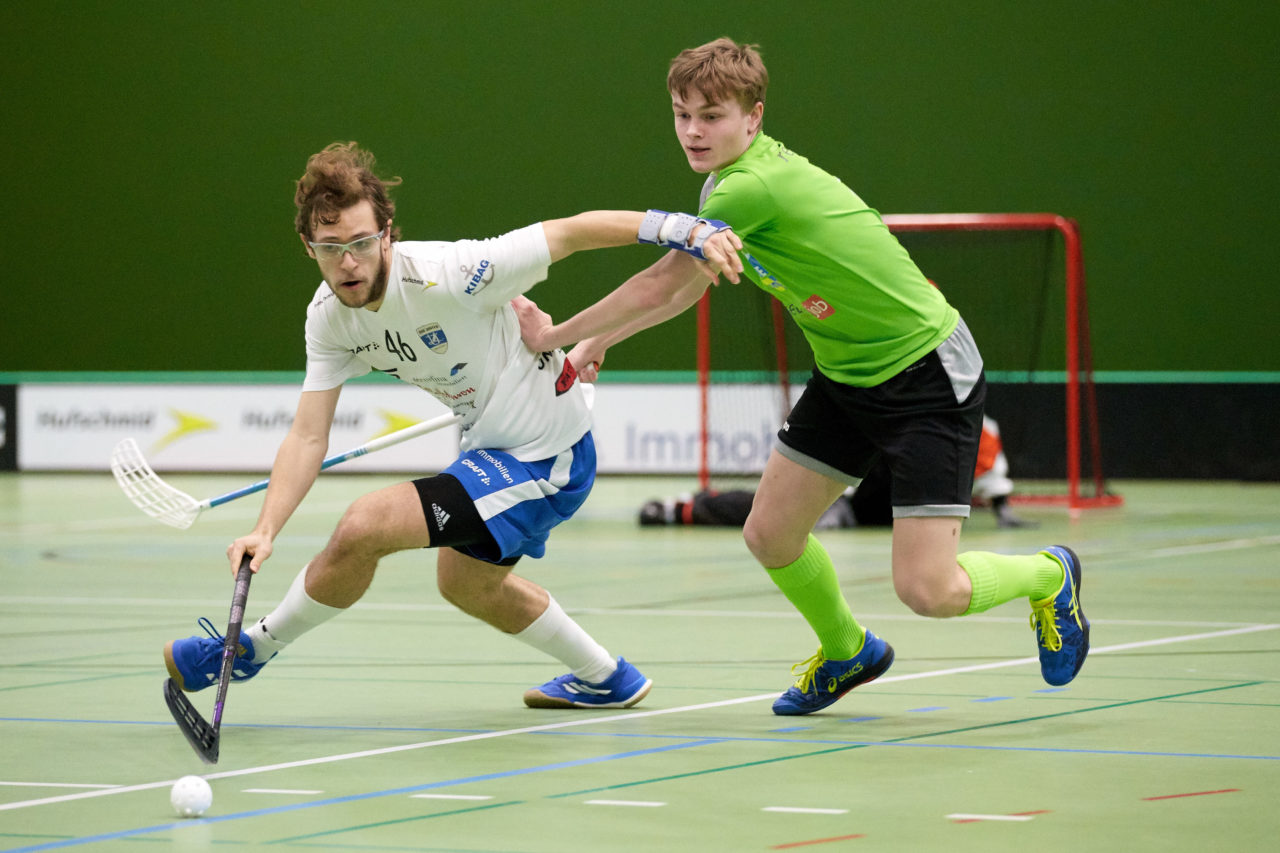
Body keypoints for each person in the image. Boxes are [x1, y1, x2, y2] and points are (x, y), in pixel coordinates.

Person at [515, 38, 1088, 716]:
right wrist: (597, 343)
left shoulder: (751, 187)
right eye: (681, 114)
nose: (693, 131)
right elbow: (690, 285)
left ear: (753, 117)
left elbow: (658, 279)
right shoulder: (724, 185)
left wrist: (556, 338)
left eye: (712, 115)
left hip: (925, 375)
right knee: (770, 532)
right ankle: (848, 650)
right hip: (846, 375)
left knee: (928, 590)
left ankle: (1050, 575)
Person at [163, 141, 742, 711]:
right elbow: (309, 435)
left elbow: (571, 230)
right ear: (307, 246)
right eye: (330, 247)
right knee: (466, 585)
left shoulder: (455, 272)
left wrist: (683, 230)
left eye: (362, 243)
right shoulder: (328, 319)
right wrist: (266, 530)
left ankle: (247, 651)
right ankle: (608, 677)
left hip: (549, 455)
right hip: (488, 449)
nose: (348, 262)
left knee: (364, 523)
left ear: (387, 234)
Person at [640, 415, 1036, 529]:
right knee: (776, 514)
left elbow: (991, 463)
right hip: (856, 499)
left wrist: (1002, 509)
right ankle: (684, 508)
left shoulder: (973, 424)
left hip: (898, 514)